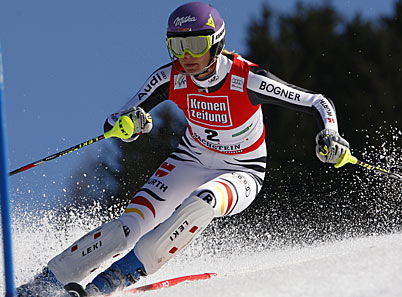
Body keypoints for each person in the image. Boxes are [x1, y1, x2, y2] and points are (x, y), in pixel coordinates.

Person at [17, 2, 350, 296]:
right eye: (177, 46)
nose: (187, 56)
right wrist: (129, 125)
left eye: (196, 44)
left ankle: (110, 282)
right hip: (190, 159)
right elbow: (115, 121)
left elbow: (317, 102)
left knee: (202, 203)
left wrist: (331, 134)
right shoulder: (170, 77)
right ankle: (43, 283)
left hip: (242, 170)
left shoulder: (245, 78)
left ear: (216, 43)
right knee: (129, 226)